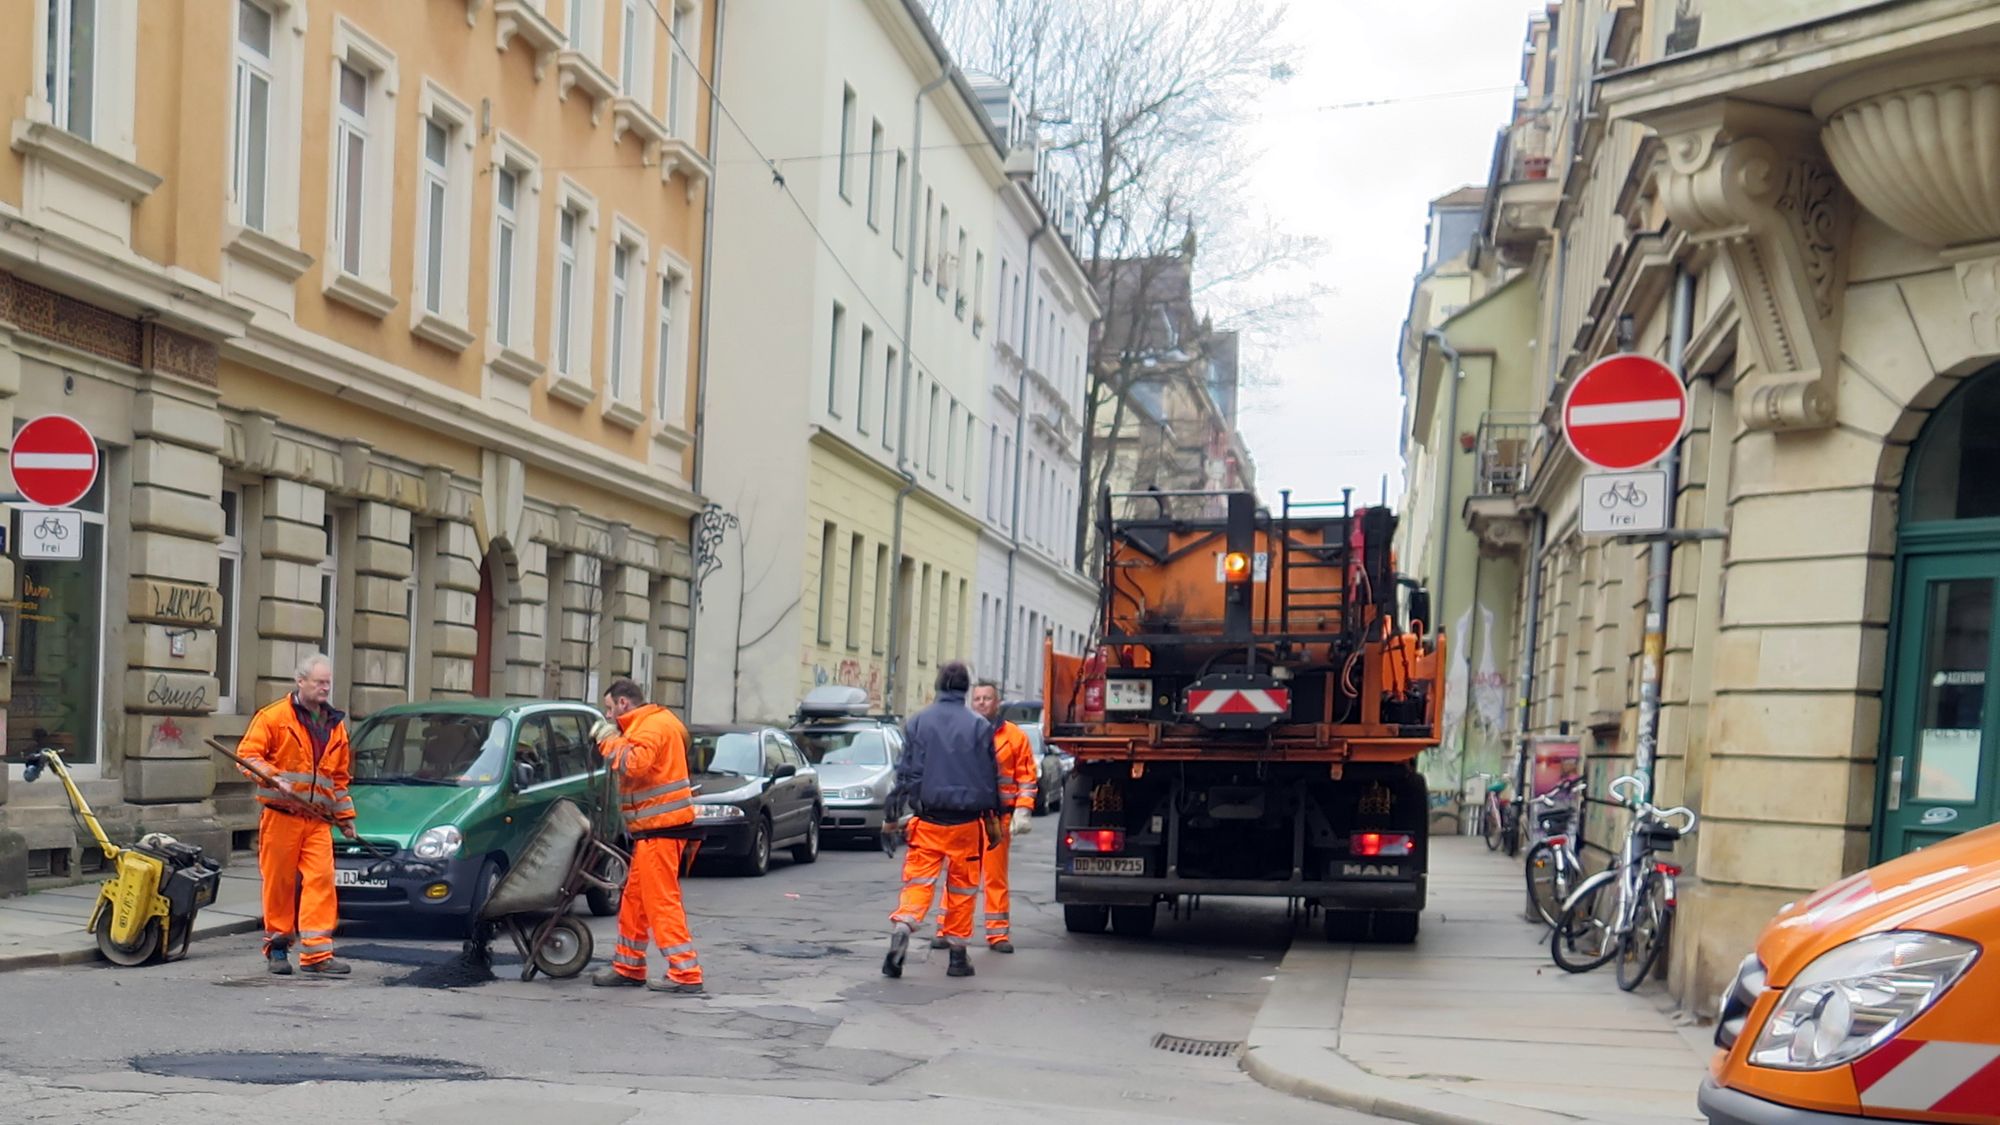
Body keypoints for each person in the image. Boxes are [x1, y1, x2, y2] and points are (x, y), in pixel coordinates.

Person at [235, 652, 357, 977]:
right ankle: (277, 947)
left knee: (321, 880)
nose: (324, 688)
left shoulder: (335, 727)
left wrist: (345, 818)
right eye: (319, 682)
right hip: (281, 816)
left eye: (328, 683)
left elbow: (339, 779)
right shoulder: (274, 717)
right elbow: (247, 755)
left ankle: (317, 954)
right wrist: (272, 776)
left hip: (317, 820)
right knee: (281, 884)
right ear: (300, 680)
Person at [882, 660, 1003, 980]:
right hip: (965, 825)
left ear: (938, 686)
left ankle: (903, 927)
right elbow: (990, 776)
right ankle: (958, 958)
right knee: (962, 890)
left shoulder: (919, 722)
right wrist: (994, 820)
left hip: (928, 821)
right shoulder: (979, 726)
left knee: (918, 883)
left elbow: (906, 773)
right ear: (966, 689)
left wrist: (891, 818)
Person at [589, 677, 705, 995]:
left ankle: (685, 973)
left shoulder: (649, 727)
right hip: (654, 831)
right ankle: (629, 966)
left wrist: (608, 741)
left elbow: (636, 765)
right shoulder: (655, 722)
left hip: (661, 830)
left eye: (610, 708)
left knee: (660, 902)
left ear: (624, 703)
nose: (609, 715)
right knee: (636, 902)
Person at [932, 680, 1035, 953]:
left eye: (986, 698)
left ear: (997, 702)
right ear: (970, 702)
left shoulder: (1014, 737)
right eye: (977, 698)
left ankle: (997, 934)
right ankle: (945, 929)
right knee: (957, 875)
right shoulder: (958, 733)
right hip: (964, 818)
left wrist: (1023, 811)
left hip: (996, 819)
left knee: (994, 877)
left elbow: (1026, 777)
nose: (981, 703)